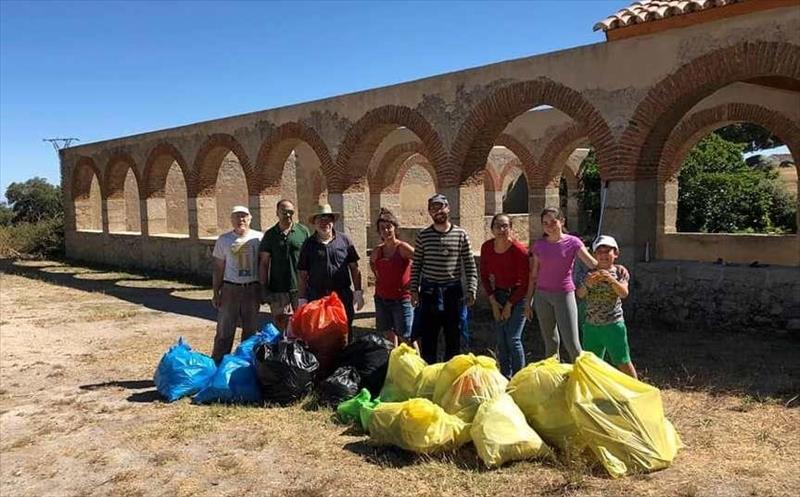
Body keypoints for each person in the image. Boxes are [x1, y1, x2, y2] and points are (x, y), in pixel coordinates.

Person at [409, 193, 478, 364]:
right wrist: (414, 291)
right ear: (430, 212)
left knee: (453, 335)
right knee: (429, 337)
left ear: (448, 208)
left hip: (452, 292)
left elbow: (469, 264)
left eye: (440, 207)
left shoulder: (461, 234)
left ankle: (451, 375)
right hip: (429, 291)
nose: (437, 211)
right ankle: (430, 376)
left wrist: (471, 288)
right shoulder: (423, 236)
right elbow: (416, 265)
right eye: (433, 208)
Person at [523, 207, 597, 362]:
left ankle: (582, 380)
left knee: (572, 344)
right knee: (551, 343)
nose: (549, 226)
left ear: (562, 221)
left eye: (553, 221)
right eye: (545, 223)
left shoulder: (573, 242)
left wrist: (616, 268)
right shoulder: (539, 245)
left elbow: (592, 264)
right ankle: (553, 380)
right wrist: (528, 301)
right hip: (542, 296)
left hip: (564, 295)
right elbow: (534, 275)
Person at [297, 204, 364, 336]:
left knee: (344, 330)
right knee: (320, 332)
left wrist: (358, 292)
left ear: (333, 222)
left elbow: (354, 268)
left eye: (328, 220)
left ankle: (345, 356)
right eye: (320, 220)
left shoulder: (344, 240)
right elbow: (303, 274)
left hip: (341, 296)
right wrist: (302, 299)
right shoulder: (308, 244)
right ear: (315, 223)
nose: (324, 223)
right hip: (317, 296)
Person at [576, 235, 637, 379]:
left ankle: (636, 391)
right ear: (594, 255)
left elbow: (623, 293)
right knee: (592, 364)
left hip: (613, 325)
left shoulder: (620, 272)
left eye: (607, 251)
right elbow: (580, 294)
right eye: (599, 251)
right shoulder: (588, 273)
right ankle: (594, 393)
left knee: (622, 361)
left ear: (615, 254)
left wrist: (611, 280)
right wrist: (587, 284)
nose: (603, 255)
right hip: (591, 326)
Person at [210, 205, 264, 363]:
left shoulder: (259, 238)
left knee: (251, 330)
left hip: (251, 288)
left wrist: (263, 289)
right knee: (224, 331)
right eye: (237, 217)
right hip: (230, 288)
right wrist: (216, 292)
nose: (241, 220)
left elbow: (264, 264)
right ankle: (218, 364)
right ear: (232, 220)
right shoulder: (224, 240)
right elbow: (219, 267)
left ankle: (246, 364)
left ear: (250, 219)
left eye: (244, 216)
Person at [480, 213, 530, 378]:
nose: (501, 230)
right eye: (497, 226)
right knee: (501, 339)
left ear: (511, 228)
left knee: (513, 338)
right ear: (492, 229)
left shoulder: (519, 251)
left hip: (518, 296)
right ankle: (505, 376)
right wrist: (494, 302)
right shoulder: (487, 248)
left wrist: (509, 305)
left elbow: (524, 283)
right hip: (499, 294)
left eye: (505, 226)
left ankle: (518, 378)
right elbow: (484, 276)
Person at [258, 199, 310, 332]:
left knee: (303, 324)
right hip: (278, 289)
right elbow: (264, 263)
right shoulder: (270, 235)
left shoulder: (303, 232)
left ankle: (302, 352)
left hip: (300, 289)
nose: (287, 214)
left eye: (290, 211)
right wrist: (263, 287)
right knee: (280, 326)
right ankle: (282, 352)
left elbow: (311, 258)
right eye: (284, 211)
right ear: (277, 213)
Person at [369, 208, 415, 345]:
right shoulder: (378, 250)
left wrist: (414, 281)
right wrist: (378, 276)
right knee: (389, 336)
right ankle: (393, 363)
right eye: (382, 228)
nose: (386, 231)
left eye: (389, 227)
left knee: (406, 337)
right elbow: (372, 263)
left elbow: (422, 260)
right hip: (382, 298)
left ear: (395, 228)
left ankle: (418, 365)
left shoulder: (402, 248)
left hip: (401, 300)